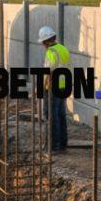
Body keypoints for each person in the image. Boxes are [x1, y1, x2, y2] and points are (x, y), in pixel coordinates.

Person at [38, 25, 70, 153]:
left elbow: (49, 72)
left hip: (53, 88)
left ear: (46, 41)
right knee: (61, 115)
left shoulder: (51, 52)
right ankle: (62, 144)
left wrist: (43, 88)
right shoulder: (63, 49)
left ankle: (53, 146)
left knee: (51, 116)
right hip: (64, 86)